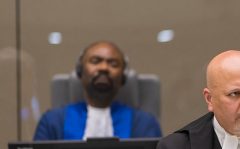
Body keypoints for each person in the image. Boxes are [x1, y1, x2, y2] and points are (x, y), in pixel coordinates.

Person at [33, 41, 161, 140]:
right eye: (95, 61)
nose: (104, 67)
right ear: (80, 71)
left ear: (123, 77)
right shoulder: (52, 121)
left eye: (113, 64)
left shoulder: (145, 123)